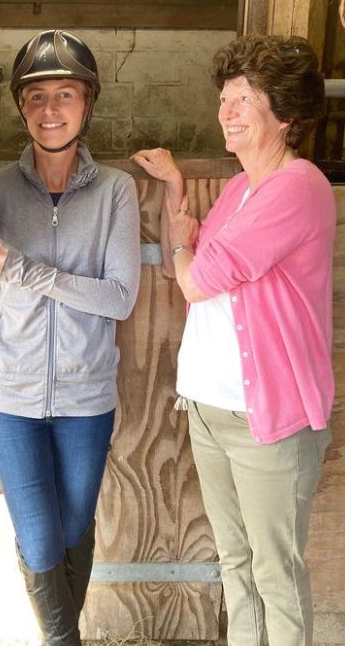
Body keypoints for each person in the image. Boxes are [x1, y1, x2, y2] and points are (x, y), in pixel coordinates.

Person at [132, 34, 334, 646]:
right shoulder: (240, 191)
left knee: (276, 571)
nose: (226, 110)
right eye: (224, 97)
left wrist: (188, 248)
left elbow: (194, 280)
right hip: (210, 410)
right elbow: (182, 264)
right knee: (235, 566)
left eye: (242, 98)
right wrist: (174, 191)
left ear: (285, 114)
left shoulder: (296, 186)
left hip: (266, 421)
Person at [0, 30, 141, 644]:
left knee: (73, 529)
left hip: (87, 400)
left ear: (88, 105)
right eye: (36, 96)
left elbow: (118, 296)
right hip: (12, 398)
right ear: (20, 107)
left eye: (65, 94)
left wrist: (23, 270)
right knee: (37, 539)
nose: (50, 109)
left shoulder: (115, 191)